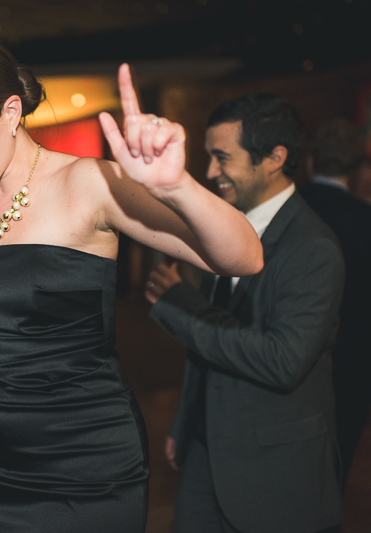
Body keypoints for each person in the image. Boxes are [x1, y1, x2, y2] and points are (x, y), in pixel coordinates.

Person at [0, 33, 263, 532]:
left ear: (11, 112)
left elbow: (245, 257)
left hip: (90, 462)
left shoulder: (88, 184)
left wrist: (176, 187)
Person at [146, 94, 345, 532]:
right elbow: (205, 358)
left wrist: (184, 309)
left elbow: (281, 361)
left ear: (275, 158)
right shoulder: (225, 227)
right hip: (204, 453)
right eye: (209, 157)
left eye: (222, 158)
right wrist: (185, 421)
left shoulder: (313, 248)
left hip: (274, 468)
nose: (212, 171)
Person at [300, 117, 371, 489]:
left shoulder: (286, 213)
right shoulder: (366, 221)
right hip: (352, 366)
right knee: (334, 473)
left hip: (290, 362)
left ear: (310, 161)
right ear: (359, 167)